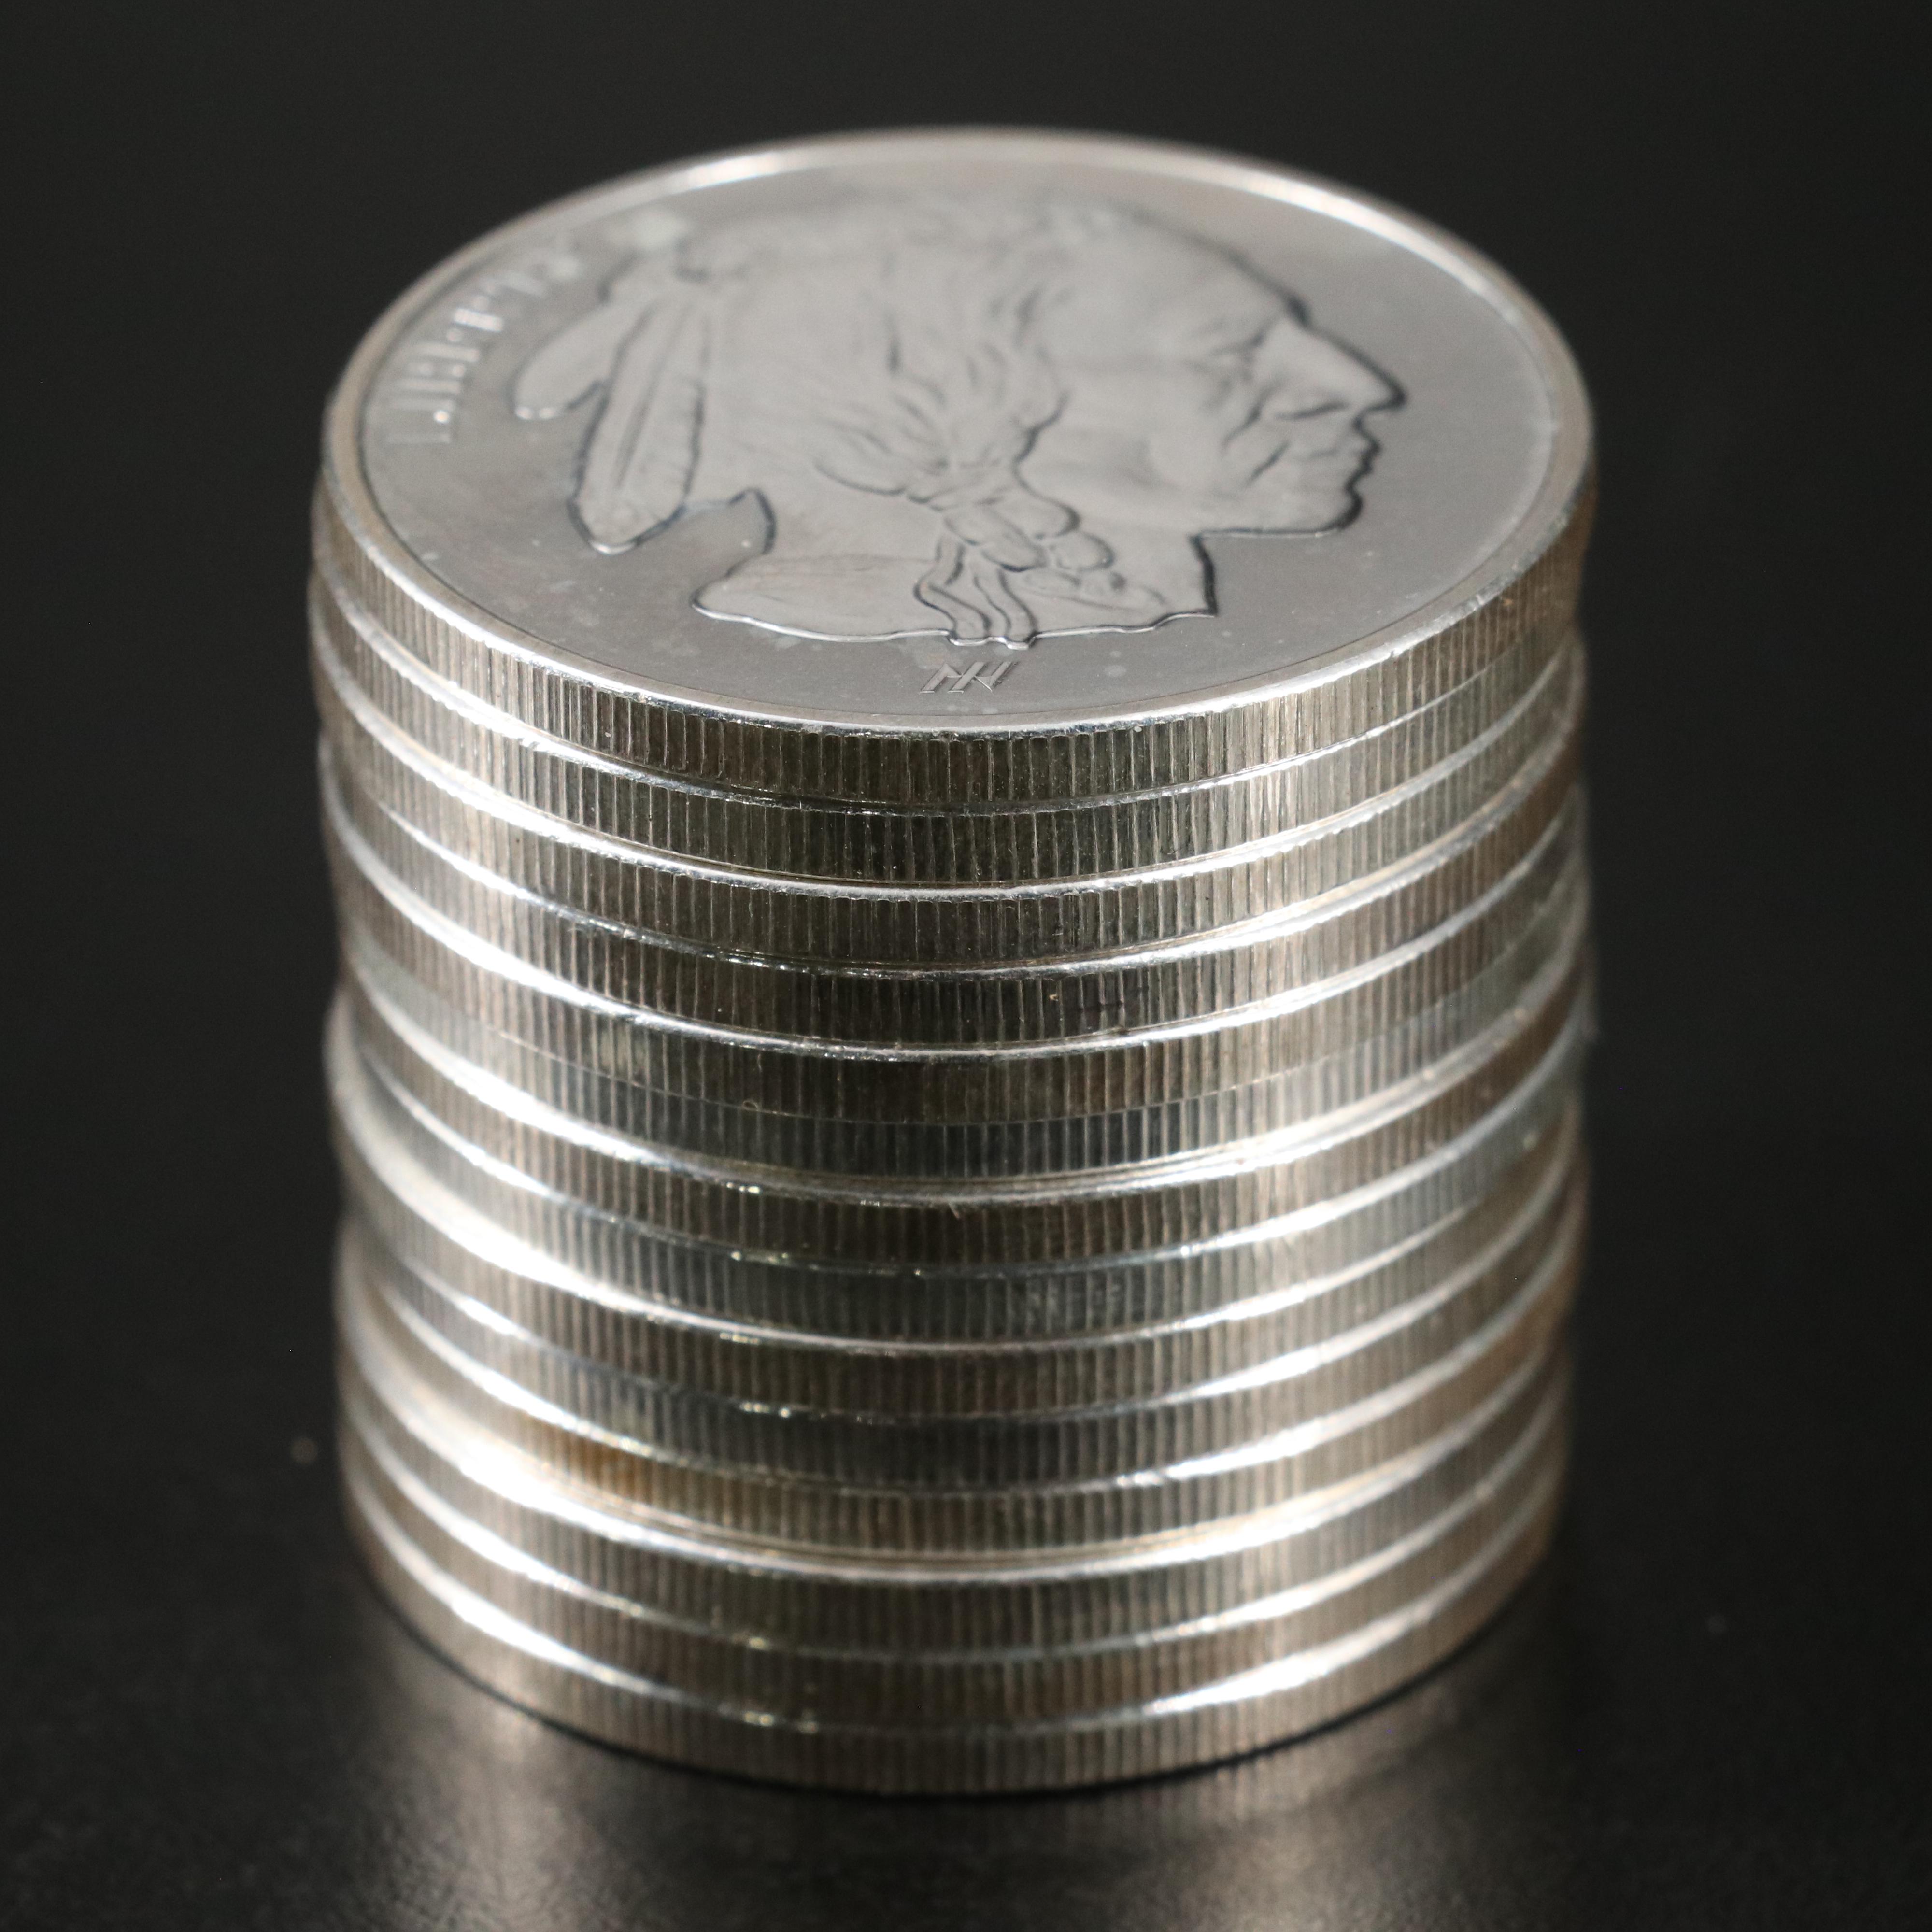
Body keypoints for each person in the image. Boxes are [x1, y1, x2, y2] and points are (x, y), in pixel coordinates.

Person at [515, 194, 1400, 648]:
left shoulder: (1118, 604)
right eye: (1231, 350)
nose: (1358, 385)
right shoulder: (851, 621)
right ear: (933, 400)